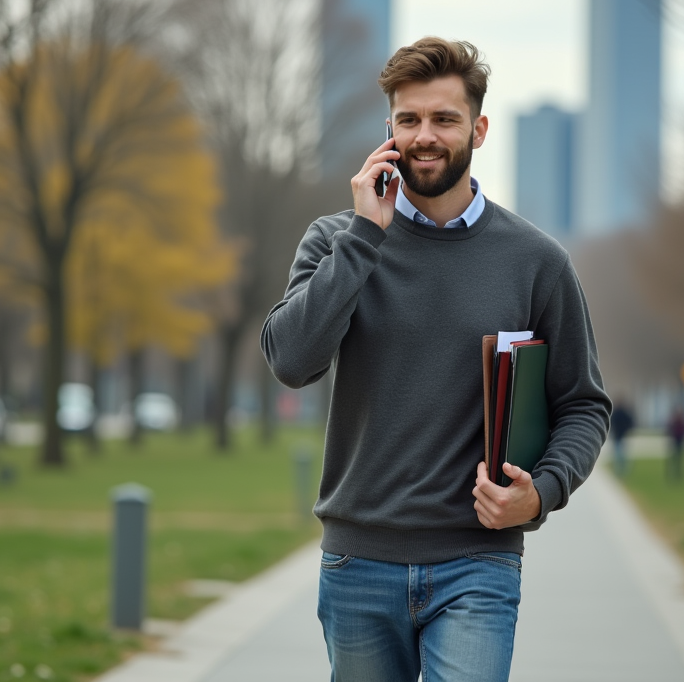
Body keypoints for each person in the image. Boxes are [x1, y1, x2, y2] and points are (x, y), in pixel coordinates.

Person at [261, 37, 610, 681]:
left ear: (477, 129)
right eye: (409, 119)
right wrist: (368, 236)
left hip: (478, 563)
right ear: (388, 130)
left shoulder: (536, 262)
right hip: (358, 563)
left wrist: (541, 497)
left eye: (444, 119)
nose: (426, 135)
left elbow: (583, 406)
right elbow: (292, 360)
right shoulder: (338, 240)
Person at [610, 397, 636, 477]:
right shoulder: (622, 413)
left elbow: (611, 422)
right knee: (621, 453)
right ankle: (622, 468)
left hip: (619, 434)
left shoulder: (617, 413)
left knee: (619, 453)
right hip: (621, 434)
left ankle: (620, 469)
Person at [667, 405, 684, 482]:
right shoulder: (674, 420)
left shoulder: (682, 421)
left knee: (680, 457)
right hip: (675, 440)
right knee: (674, 456)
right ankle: (673, 471)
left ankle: (679, 472)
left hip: (680, 440)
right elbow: (670, 429)